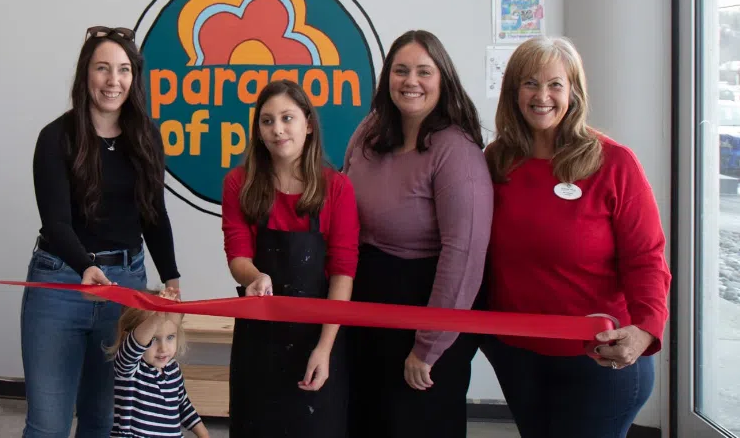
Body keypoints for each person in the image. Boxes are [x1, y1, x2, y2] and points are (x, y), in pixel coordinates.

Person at [481, 36, 671, 438]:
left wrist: (646, 330)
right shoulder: (496, 161)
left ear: (573, 92)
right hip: (519, 355)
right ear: (513, 92)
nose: (542, 96)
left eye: (555, 84)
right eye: (530, 83)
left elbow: (646, 257)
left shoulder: (614, 163)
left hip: (599, 356)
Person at [22, 26, 181, 438]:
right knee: (48, 424)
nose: (114, 80)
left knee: (104, 418)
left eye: (124, 70)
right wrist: (85, 267)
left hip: (126, 286)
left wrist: (171, 277)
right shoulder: (55, 137)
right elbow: (56, 223)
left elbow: (154, 215)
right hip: (60, 283)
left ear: (135, 77)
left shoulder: (146, 137)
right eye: (102, 68)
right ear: (85, 74)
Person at [341, 30, 492, 438]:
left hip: (426, 311)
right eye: (401, 70)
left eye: (424, 71)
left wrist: (429, 346)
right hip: (366, 309)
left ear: (443, 80)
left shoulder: (456, 152)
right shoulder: (371, 130)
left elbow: (463, 257)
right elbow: (341, 199)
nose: (411, 81)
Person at [221, 78, 359, 438]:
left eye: (287, 118)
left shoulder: (337, 188)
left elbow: (343, 273)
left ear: (308, 124)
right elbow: (237, 254)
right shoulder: (238, 183)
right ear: (258, 131)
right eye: (267, 121)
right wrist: (254, 277)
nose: (277, 129)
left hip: (319, 338)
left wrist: (325, 349)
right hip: (259, 342)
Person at [108, 287, 209, 438]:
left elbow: (183, 405)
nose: (163, 348)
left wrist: (204, 434)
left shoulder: (173, 369)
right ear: (126, 337)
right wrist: (157, 317)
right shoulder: (129, 368)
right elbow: (135, 344)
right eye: (153, 339)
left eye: (170, 337)